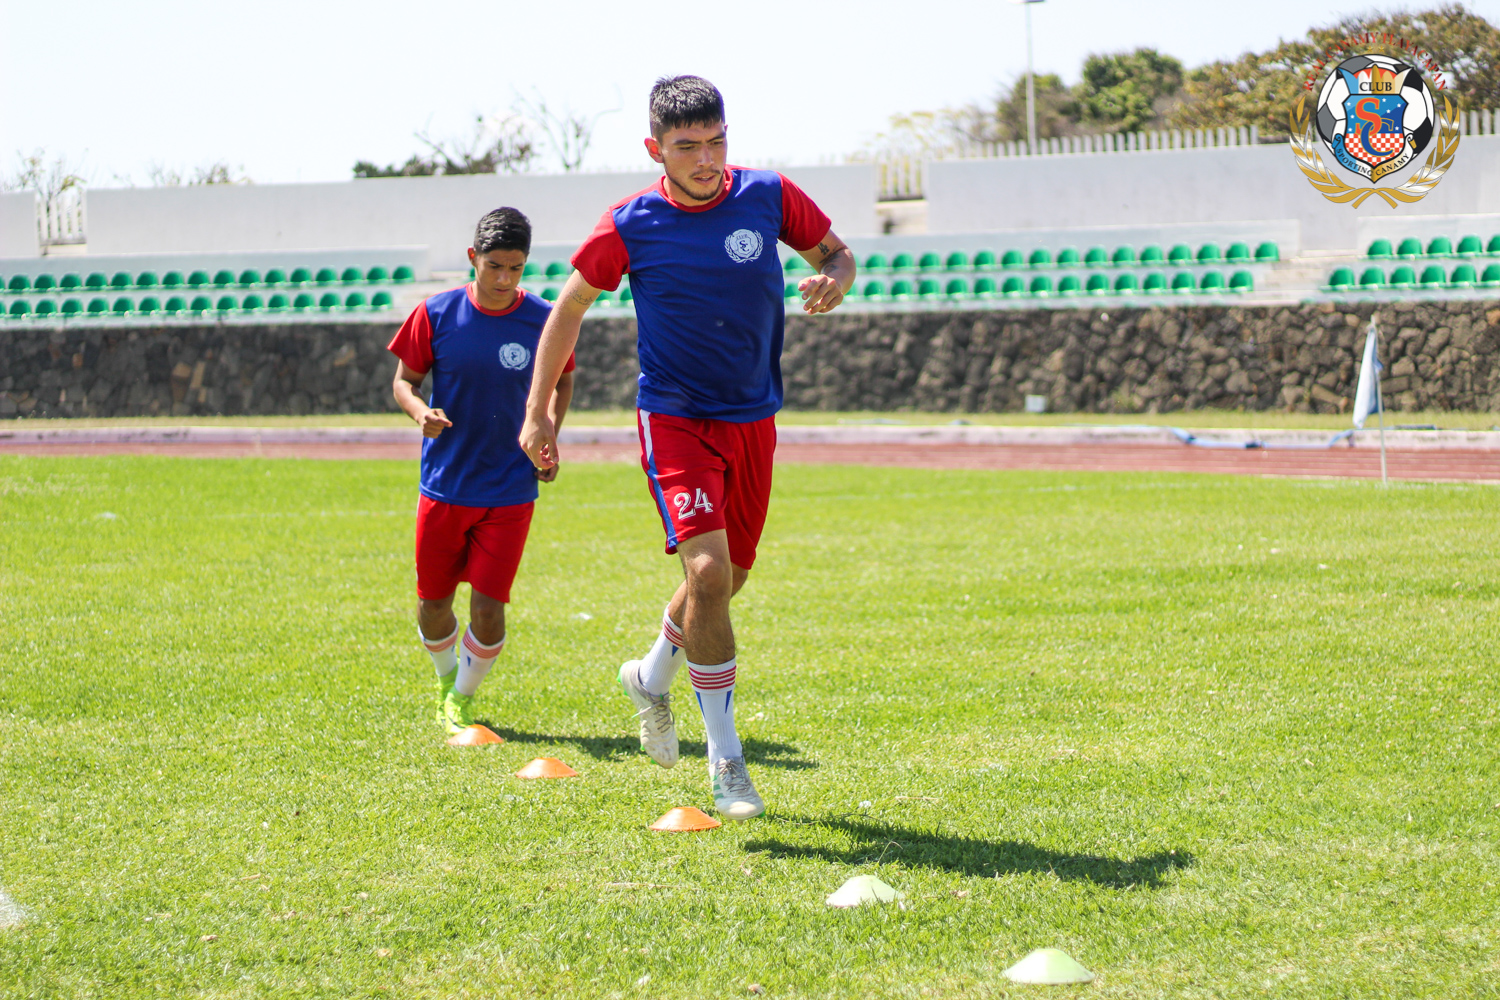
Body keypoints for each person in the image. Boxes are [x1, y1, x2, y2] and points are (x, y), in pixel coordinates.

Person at [518, 76, 855, 819]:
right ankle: (727, 761)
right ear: (655, 150)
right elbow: (568, 308)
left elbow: (837, 255)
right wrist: (538, 410)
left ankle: (649, 676)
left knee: (728, 581)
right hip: (673, 417)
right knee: (706, 570)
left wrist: (833, 279)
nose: (706, 159)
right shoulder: (629, 223)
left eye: (716, 141)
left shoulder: (769, 196)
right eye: (687, 146)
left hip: (754, 419)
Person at [389, 207, 575, 736]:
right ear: (473, 257)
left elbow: (562, 381)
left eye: (515, 268)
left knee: (489, 611)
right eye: (494, 266)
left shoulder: (544, 319)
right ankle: (446, 678)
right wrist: (420, 413)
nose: (504, 279)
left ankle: (461, 698)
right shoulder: (436, 313)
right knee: (433, 605)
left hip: (510, 489)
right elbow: (404, 381)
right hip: (445, 486)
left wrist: (548, 431)